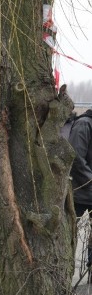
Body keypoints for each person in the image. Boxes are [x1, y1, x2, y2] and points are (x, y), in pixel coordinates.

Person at [67, 108, 92, 269]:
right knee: (69, 235)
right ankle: (63, 271)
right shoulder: (84, 124)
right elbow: (75, 156)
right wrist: (90, 180)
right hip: (79, 192)